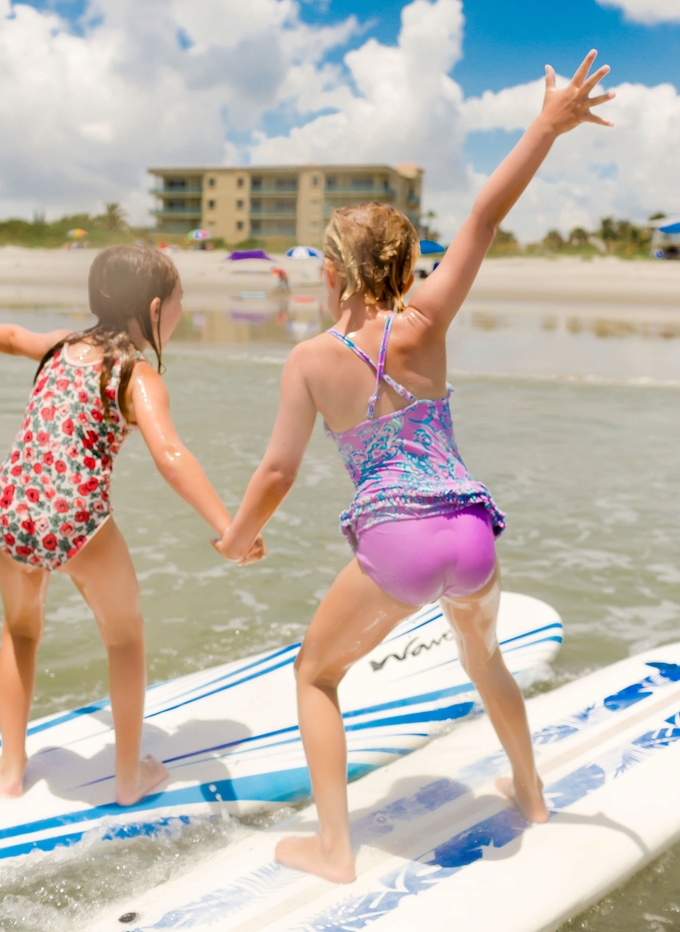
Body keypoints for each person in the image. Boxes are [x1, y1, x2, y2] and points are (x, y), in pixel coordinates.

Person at [213, 51, 615, 882]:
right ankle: (534, 796)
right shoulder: (428, 318)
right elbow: (485, 216)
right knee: (484, 659)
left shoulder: (308, 360)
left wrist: (237, 539)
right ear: (400, 268)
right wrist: (547, 124)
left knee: (316, 676)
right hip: (471, 533)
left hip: (396, 544)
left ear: (332, 271)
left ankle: (334, 850)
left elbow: (277, 474)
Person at [0, 246, 263, 803]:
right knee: (125, 638)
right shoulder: (136, 375)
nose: (182, 314)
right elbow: (171, 456)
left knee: (20, 632)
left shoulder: (60, 346)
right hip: (78, 522)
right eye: (179, 303)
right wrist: (230, 530)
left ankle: (9, 772)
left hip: (13, 511)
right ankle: (126, 780)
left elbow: (9, 334)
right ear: (152, 306)